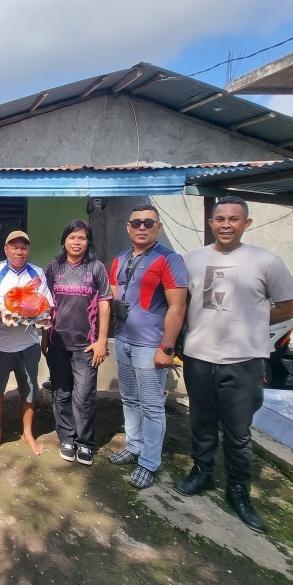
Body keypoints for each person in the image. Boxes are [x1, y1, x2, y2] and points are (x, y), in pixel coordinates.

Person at [174, 197, 293, 532]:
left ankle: (238, 490)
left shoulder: (265, 261)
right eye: (220, 219)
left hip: (244, 360)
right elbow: (181, 302)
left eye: (233, 219)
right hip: (199, 356)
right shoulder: (192, 259)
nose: (226, 225)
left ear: (247, 223)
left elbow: (289, 307)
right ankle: (202, 471)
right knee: (201, 422)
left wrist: (254, 319)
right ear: (211, 223)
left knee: (238, 431)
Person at [108, 205, 187, 489]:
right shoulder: (120, 259)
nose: (142, 227)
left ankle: (149, 462)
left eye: (148, 223)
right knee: (129, 399)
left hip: (151, 344)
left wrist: (167, 348)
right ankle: (134, 446)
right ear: (128, 227)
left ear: (158, 227)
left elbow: (178, 306)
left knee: (152, 406)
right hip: (123, 340)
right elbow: (111, 297)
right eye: (136, 223)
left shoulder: (169, 259)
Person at [44, 219, 112, 466]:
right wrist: (45, 338)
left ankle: (85, 442)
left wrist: (102, 340)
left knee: (84, 396)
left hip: (87, 345)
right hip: (58, 342)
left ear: (88, 242)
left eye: (82, 238)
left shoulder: (96, 268)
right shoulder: (54, 268)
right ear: (64, 240)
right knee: (61, 393)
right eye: (72, 237)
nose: (76, 242)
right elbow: (45, 304)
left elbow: (105, 303)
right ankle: (67, 438)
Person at [0, 231, 54, 454]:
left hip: (28, 344)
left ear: (28, 250)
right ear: (6, 249)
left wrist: (34, 313)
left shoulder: (37, 273)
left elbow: (47, 304)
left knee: (29, 391)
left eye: (23, 247)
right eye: (15, 247)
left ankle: (28, 433)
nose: (19, 251)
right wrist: (0, 312)